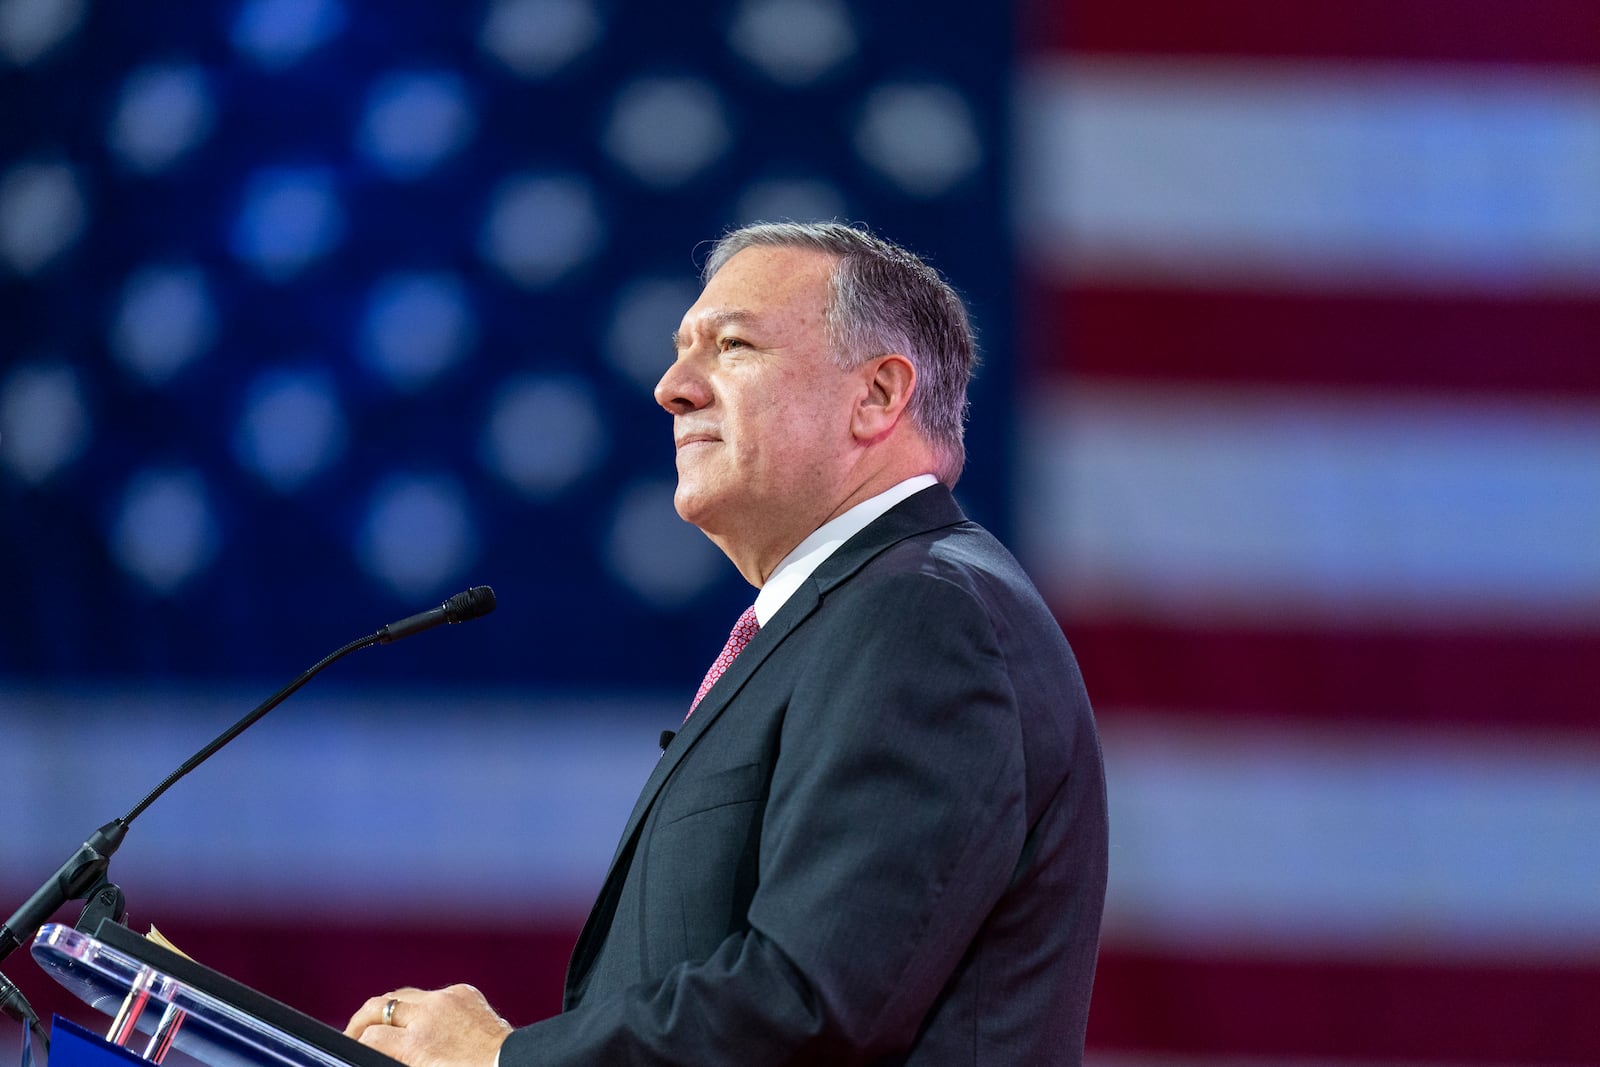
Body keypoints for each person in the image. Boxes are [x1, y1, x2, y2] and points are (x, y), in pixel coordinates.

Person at [345, 222, 1108, 1065]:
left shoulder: (924, 616)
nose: (672, 387)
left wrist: (501, 1060)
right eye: (681, 350)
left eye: (732, 344)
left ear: (879, 396)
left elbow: (810, 1002)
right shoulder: (853, 615)